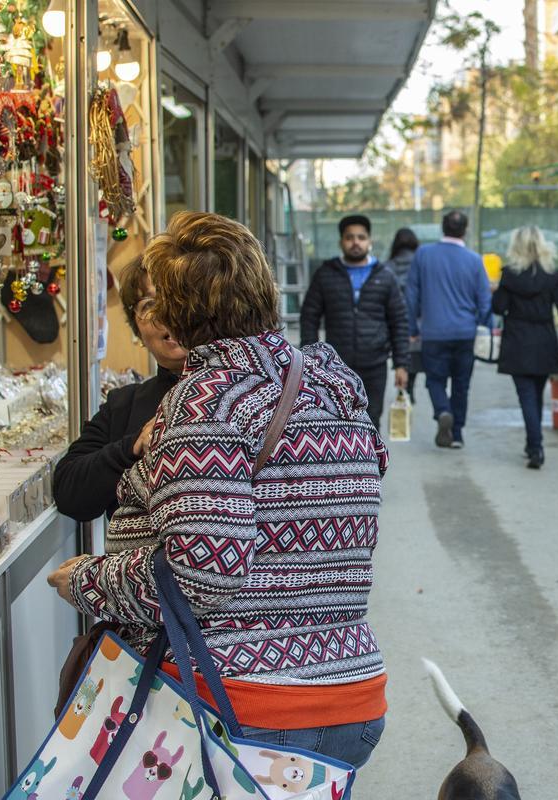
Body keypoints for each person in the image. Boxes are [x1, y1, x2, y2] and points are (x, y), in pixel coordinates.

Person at [46, 212, 388, 767]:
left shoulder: (209, 401)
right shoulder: (330, 382)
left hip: (246, 704)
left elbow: (203, 575)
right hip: (349, 692)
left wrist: (89, 580)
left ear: (180, 314)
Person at [53, 257, 188, 521]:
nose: (166, 315)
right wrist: (131, 447)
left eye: (177, 298)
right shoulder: (124, 405)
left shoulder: (241, 395)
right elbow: (69, 494)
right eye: (149, 305)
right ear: (136, 328)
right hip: (131, 562)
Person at [300, 213, 409, 428]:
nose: (355, 242)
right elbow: (309, 316)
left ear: (369, 241)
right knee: (337, 419)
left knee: (372, 418)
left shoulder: (385, 276)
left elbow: (399, 321)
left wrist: (401, 364)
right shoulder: (326, 274)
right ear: (341, 241)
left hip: (375, 363)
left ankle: (373, 461)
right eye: (350, 237)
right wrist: (310, 359)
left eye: (361, 237)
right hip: (336, 365)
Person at [491, 226, 558, 469]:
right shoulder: (552, 276)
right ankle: (534, 443)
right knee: (536, 395)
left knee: (526, 397)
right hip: (544, 339)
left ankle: (535, 446)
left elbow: (499, 308)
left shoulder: (510, 275)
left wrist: (498, 291)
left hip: (518, 341)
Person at [405, 210, 490, 449]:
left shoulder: (423, 255)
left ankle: (443, 410)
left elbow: (411, 294)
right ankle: (458, 433)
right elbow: (484, 301)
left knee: (435, 379)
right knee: (462, 384)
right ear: (465, 230)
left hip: (433, 332)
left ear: (442, 228)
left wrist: (412, 326)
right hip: (465, 333)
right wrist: (482, 327)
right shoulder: (474, 260)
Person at [384, 227, 421, 402]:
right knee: (413, 355)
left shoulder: (388, 266)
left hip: (395, 320)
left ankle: (404, 386)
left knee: (401, 352)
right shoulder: (421, 264)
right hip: (418, 320)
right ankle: (410, 383)